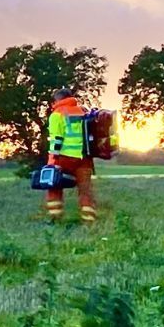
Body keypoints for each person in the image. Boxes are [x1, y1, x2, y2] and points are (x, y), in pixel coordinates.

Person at [44, 86, 98, 224]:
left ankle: (55, 219)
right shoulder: (82, 111)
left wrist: (52, 162)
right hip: (84, 159)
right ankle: (89, 222)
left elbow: (56, 140)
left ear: (57, 100)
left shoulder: (57, 114)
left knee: (54, 186)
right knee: (85, 191)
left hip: (64, 158)